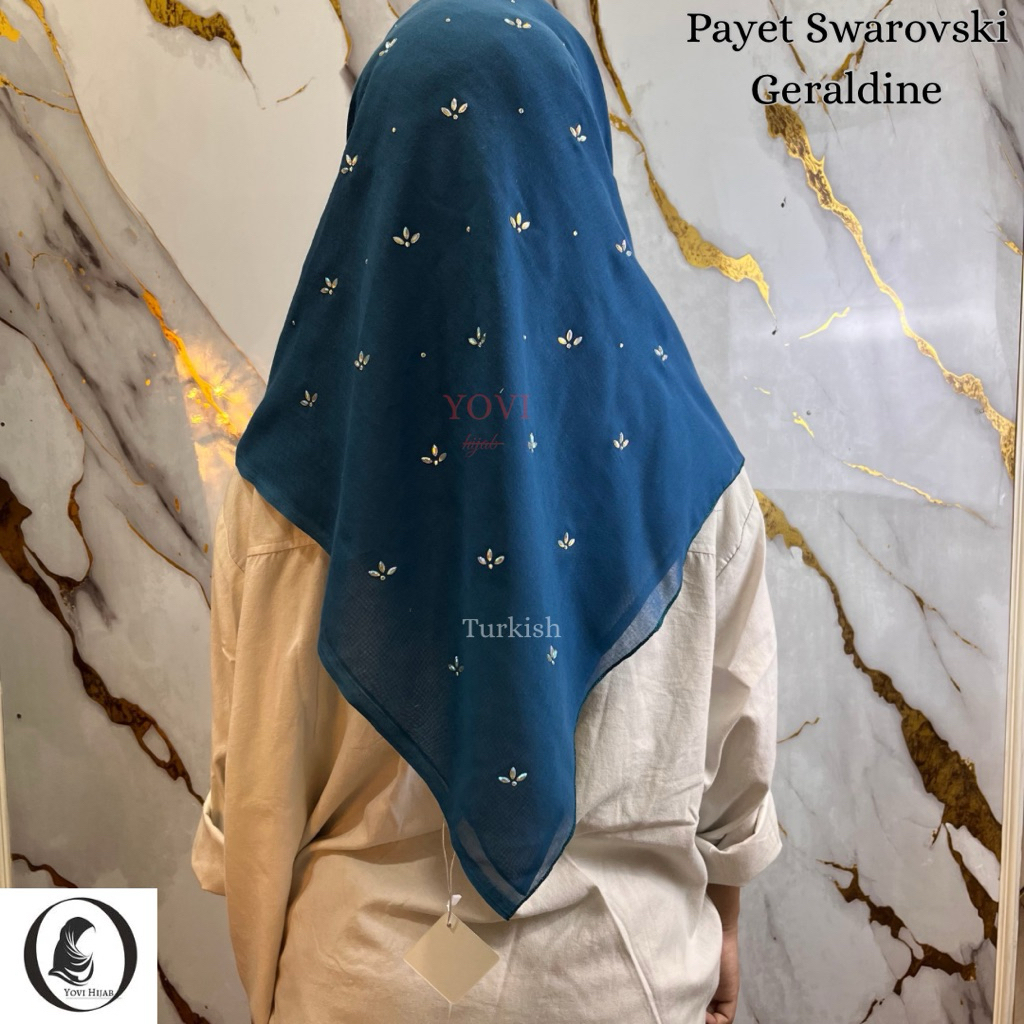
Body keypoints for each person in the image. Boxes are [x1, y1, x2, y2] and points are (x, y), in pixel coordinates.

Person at [191, 1, 783, 1022]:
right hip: (624, 980)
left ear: (375, 171)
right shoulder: (697, 469)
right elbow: (734, 785)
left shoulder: (286, 479)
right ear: (581, 167)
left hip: (362, 985)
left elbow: (253, 797)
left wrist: (273, 984)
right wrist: (721, 934)